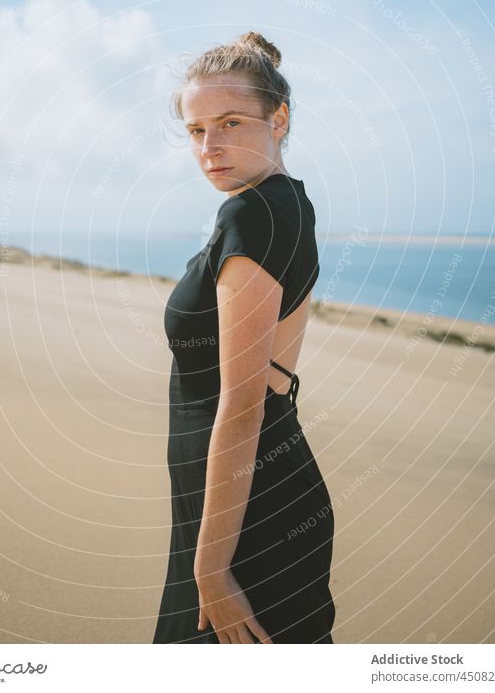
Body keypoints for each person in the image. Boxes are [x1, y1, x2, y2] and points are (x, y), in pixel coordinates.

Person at [153, 31, 335, 644]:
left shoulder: (252, 212)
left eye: (230, 122)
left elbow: (242, 399)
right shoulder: (285, 204)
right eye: (196, 129)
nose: (210, 146)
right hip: (237, 505)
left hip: (244, 523)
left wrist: (210, 570)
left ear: (278, 119)